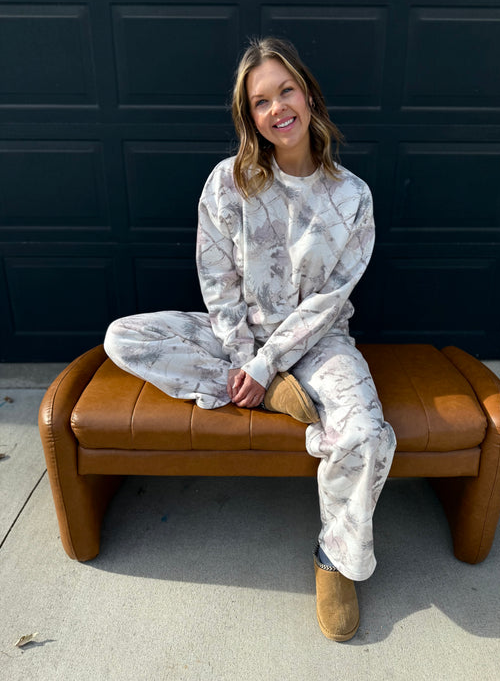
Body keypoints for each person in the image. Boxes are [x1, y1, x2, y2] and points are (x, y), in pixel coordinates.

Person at [104, 37, 396, 642]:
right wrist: (246, 360)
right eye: (262, 101)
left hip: (318, 342)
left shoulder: (353, 197)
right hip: (237, 336)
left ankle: (336, 558)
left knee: (366, 432)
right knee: (123, 337)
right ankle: (271, 395)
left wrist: (268, 364)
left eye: (286, 91)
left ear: (308, 95)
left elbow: (328, 301)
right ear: (251, 117)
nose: (277, 108)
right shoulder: (228, 183)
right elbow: (217, 281)